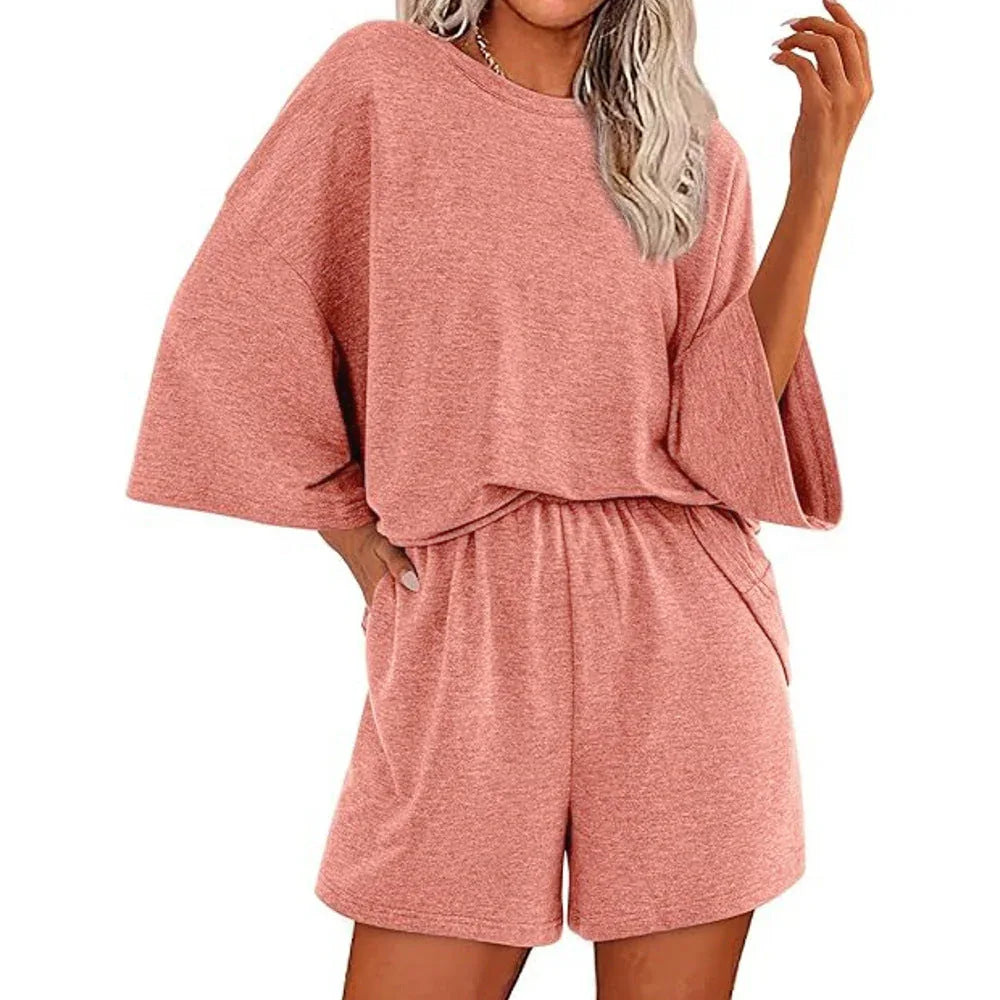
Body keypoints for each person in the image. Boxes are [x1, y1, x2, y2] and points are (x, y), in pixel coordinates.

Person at [127, 1, 871, 996]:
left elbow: (723, 432)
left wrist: (817, 172)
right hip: (467, 619)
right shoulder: (382, 83)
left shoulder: (689, 151)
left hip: (680, 623)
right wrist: (345, 525)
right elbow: (242, 306)